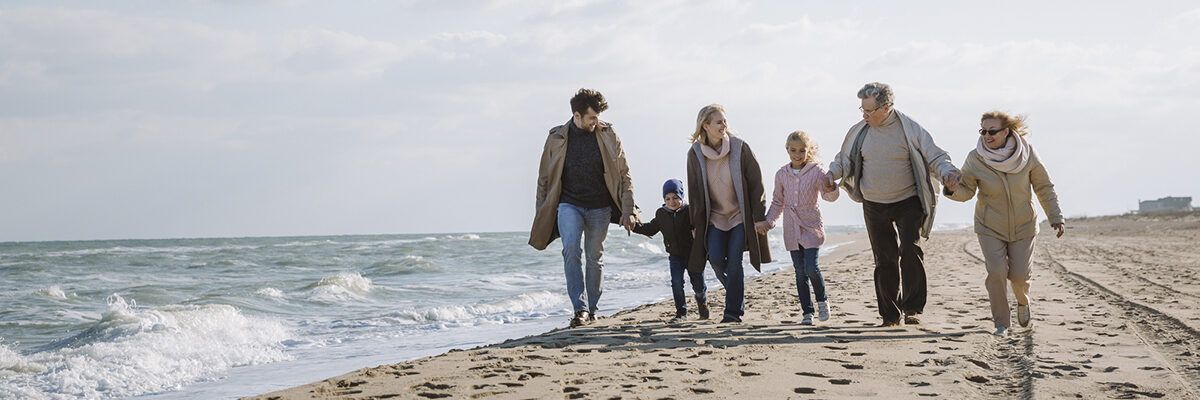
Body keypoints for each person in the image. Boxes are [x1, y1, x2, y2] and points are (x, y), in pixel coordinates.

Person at [827, 82, 961, 327]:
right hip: (873, 203)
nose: (865, 115)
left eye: (869, 111)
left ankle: (912, 309)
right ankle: (889, 316)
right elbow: (843, 160)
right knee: (884, 259)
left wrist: (947, 173)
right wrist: (831, 175)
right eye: (862, 109)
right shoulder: (859, 132)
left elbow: (936, 156)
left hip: (907, 201)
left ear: (886, 107)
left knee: (910, 250)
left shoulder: (909, 129)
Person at [945, 111, 1064, 336]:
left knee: (1019, 277)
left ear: (1006, 132)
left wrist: (1056, 217)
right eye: (983, 131)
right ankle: (1001, 324)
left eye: (992, 131)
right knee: (996, 272)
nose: (987, 136)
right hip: (989, 225)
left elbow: (1044, 187)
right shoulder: (976, 158)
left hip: (1024, 224)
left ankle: (1023, 301)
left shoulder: (1027, 154)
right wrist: (952, 190)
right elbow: (967, 191)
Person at [529, 88, 640, 328]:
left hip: (600, 207)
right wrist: (542, 213)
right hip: (568, 204)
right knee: (571, 250)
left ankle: (593, 309)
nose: (595, 122)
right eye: (591, 117)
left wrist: (628, 209)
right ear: (577, 115)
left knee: (594, 257)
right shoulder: (556, 138)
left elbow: (624, 174)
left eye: (597, 117)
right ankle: (579, 309)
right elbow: (544, 178)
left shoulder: (608, 134)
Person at [685, 104, 771, 324]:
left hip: (739, 216)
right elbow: (694, 192)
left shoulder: (740, 148)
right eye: (718, 122)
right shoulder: (695, 154)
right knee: (714, 258)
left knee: (734, 261)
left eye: (724, 121)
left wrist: (758, 216)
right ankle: (735, 288)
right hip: (715, 217)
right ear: (705, 125)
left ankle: (732, 313)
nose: (724, 125)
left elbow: (756, 184)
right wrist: (694, 223)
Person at [758, 130, 840, 325]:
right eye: (793, 150)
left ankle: (822, 301)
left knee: (811, 267)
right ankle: (807, 312)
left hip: (811, 226)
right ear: (787, 150)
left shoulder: (816, 171)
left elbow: (828, 196)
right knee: (800, 271)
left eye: (802, 150)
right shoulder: (781, 174)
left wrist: (831, 188)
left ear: (808, 150)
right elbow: (777, 202)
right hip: (791, 228)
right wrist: (768, 222)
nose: (797, 154)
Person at [633, 179, 710, 322]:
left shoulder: (690, 211)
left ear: (681, 197)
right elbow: (650, 229)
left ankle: (702, 301)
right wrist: (633, 226)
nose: (671, 202)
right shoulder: (661, 214)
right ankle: (681, 313)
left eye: (675, 198)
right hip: (675, 255)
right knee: (676, 282)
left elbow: (702, 225)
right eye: (667, 198)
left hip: (693, 254)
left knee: (698, 284)